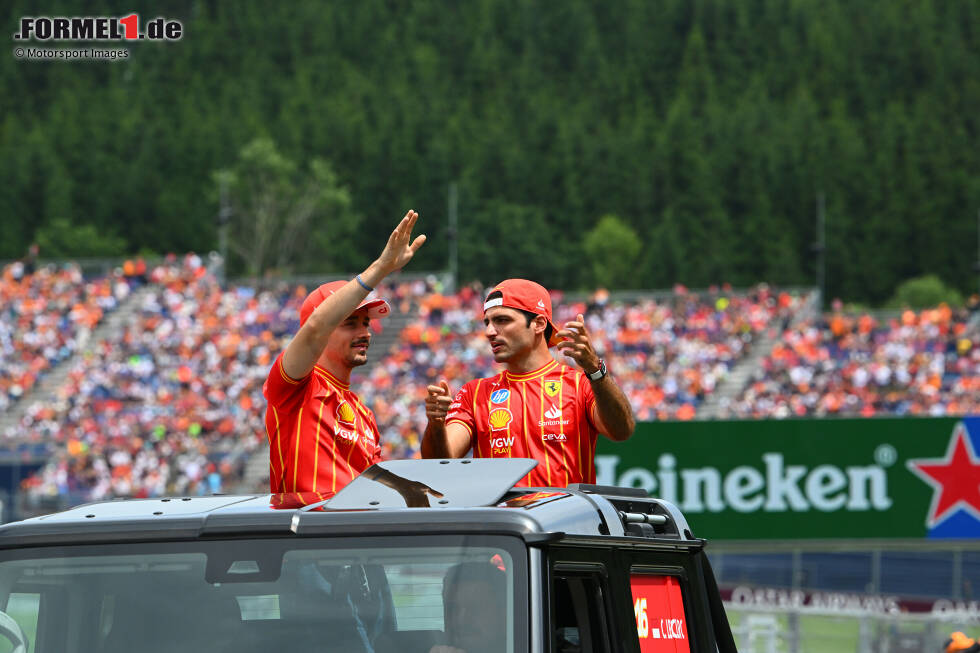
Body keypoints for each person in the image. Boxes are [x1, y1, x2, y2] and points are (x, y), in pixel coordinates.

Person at [263, 210, 426, 494]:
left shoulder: (362, 412)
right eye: (350, 323)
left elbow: (372, 482)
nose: (364, 332)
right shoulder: (295, 388)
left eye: (366, 323)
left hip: (357, 535)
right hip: (309, 534)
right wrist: (381, 268)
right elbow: (314, 328)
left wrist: (409, 489)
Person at [421, 278, 635, 487]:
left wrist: (595, 370)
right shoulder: (474, 393)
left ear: (539, 324)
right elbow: (442, 462)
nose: (489, 332)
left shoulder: (579, 384)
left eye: (502, 320)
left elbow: (621, 431)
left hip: (564, 521)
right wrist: (436, 424)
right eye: (487, 322)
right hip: (502, 522)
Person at [430, 562, 508, 653]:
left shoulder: (524, 646)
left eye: (476, 607)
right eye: (452, 609)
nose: (461, 619)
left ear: (504, 613)